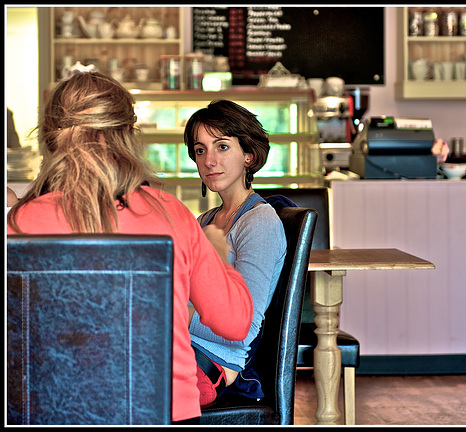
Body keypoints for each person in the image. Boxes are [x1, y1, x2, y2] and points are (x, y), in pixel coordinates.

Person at [6, 72, 253, 424]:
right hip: (161, 414)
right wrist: (217, 253)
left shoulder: (18, 224)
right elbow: (235, 323)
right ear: (128, 135)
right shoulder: (171, 215)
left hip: (45, 414)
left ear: (49, 137)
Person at [183, 99, 287, 406]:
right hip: (181, 347)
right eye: (200, 150)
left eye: (222, 147)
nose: (209, 160)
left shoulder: (259, 223)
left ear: (249, 156)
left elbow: (242, 330)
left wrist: (170, 313)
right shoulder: (206, 221)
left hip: (208, 365)